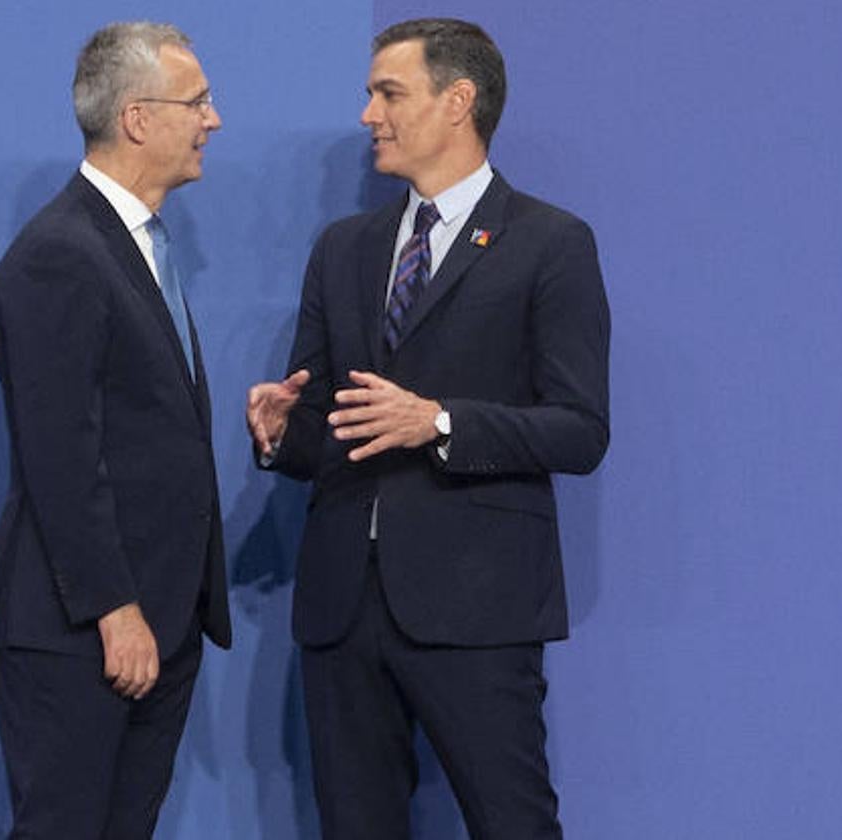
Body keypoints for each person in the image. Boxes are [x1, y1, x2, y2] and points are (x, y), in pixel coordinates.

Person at [247, 18, 609, 839]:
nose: (369, 113)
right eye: (371, 94)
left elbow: (581, 430)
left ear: (458, 101)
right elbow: (323, 430)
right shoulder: (342, 250)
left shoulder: (550, 245)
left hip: (477, 605)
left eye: (388, 93)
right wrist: (278, 435)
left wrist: (439, 422)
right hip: (343, 609)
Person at [0, 21, 230, 839]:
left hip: (155, 624)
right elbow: (61, 452)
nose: (213, 120)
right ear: (136, 118)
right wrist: (115, 609)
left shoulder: (129, 245)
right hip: (85, 633)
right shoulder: (61, 253)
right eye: (197, 102)